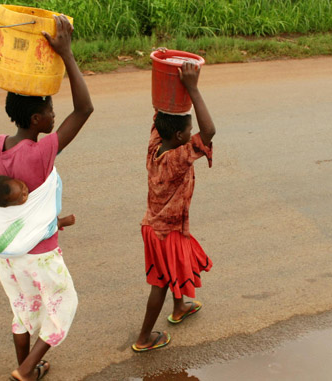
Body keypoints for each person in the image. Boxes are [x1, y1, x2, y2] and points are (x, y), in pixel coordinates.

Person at [0, 15, 93, 381]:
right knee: (62, 306)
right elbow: (84, 109)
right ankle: (24, 370)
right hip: (39, 253)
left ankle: (31, 365)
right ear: (38, 119)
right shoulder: (40, 153)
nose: (55, 114)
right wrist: (67, 55)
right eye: (50, 110)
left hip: (8, 256)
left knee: (23, 308)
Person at [132, 59, 216, 352]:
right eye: (188, 130)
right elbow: (209, 132)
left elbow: (161, 112)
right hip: (164, 232)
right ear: (181, 137)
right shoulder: (178, 158)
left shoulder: (156, 143)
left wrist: (172, 81)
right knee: (161, 281)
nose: (192, 132)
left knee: (175, 267)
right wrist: (192, 88)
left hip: (156, 226)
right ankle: (144, 337)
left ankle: (179, 307)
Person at [0, 174, 76, 231]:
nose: (25, 191)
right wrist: (60, 223)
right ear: (11, 205)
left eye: (21, 185)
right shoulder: (21, 215)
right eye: (21, 196)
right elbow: (39, 230)